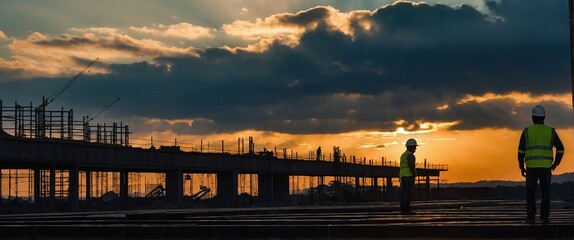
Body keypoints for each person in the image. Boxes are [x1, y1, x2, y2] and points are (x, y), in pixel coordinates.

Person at [518, 105, 565, 224]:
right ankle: (544, 217)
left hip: (531, 167)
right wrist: (555, 164)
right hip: (546, 167)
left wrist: (521, 166)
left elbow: (520, 151)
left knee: (530, 192)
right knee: (546, 192)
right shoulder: (551, 131)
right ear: (543, 117)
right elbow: (561, 149)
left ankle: (530, 217)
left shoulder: (527, 131)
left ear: (533, 117)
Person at [400, 138, 418, 215]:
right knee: (408, 193)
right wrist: (414, 175)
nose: (415, 148)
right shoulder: (410, 156)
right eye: (414, 147)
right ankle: (407, 211)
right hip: (409, 176)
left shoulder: (403, 155)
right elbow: (411, 167)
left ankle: (403, 209)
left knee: (404, 193)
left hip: (403, 176)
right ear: (410, 147)